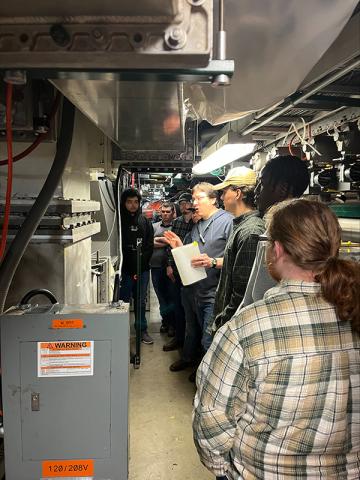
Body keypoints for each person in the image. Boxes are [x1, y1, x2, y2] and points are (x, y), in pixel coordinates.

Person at [193, 199, 360, 479]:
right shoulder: (352, 311)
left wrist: (230, 472)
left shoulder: (247, 328)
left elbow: (211, 423)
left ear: (277, 249)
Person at [164, 182, 233, 356]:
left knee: (208, 341)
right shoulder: (198, 226)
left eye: (199, 198)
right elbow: (192, 259)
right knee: (196, 333)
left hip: (214, 294)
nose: (194, 203)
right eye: (193, 199)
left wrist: (212, 262)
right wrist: (180, 247)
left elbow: (236, 259)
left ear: (213, 200)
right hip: (195, 291)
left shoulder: (228, 222)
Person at [241, 154, 310, 307]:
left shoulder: (275, 236)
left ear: (282, 188)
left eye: (262, 183)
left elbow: (256, 295)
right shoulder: (310, 229)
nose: (256, 191)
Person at [208, 166, 265, 331]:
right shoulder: (241, 226)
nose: (222, 196)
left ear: (238, 193)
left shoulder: (250, 231)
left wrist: (223, 324)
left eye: (225, 192)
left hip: (233, 324)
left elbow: (241, 293)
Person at [119, 188, 154, 345]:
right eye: (129, 202)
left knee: (140, 301)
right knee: (122, 302)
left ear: (139, 203)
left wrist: (141, 262)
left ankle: (142, 330)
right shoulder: (119, 221)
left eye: (135, 202)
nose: (133, 205)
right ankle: (120, 331)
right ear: (124, 203)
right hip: (124, 270)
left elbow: (149, 244)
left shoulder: (145, 222)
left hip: (142, 270)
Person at [163, 192, 194, 352]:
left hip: (192, 271)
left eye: (186, 203)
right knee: (177, 305)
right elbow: (170, 246)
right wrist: (169, 265)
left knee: (189, 308)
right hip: (176, 271)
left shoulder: (197, 223)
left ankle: (190, 345)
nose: (183, 207)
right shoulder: (177, 223)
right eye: (180, 204)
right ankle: (178, 337)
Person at [150, 202, 176, 337]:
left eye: (168, 212)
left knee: (171, 296)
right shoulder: (154, 227)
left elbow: (176, 245)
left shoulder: (177, 226)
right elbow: (149, 243)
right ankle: (165, 321)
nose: (165, 214)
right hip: (155, 267)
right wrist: (167, 241)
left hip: (171, 268)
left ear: (173, 213)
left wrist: (157, 241)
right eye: (163, 212)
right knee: (161, 297)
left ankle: (172, 324)